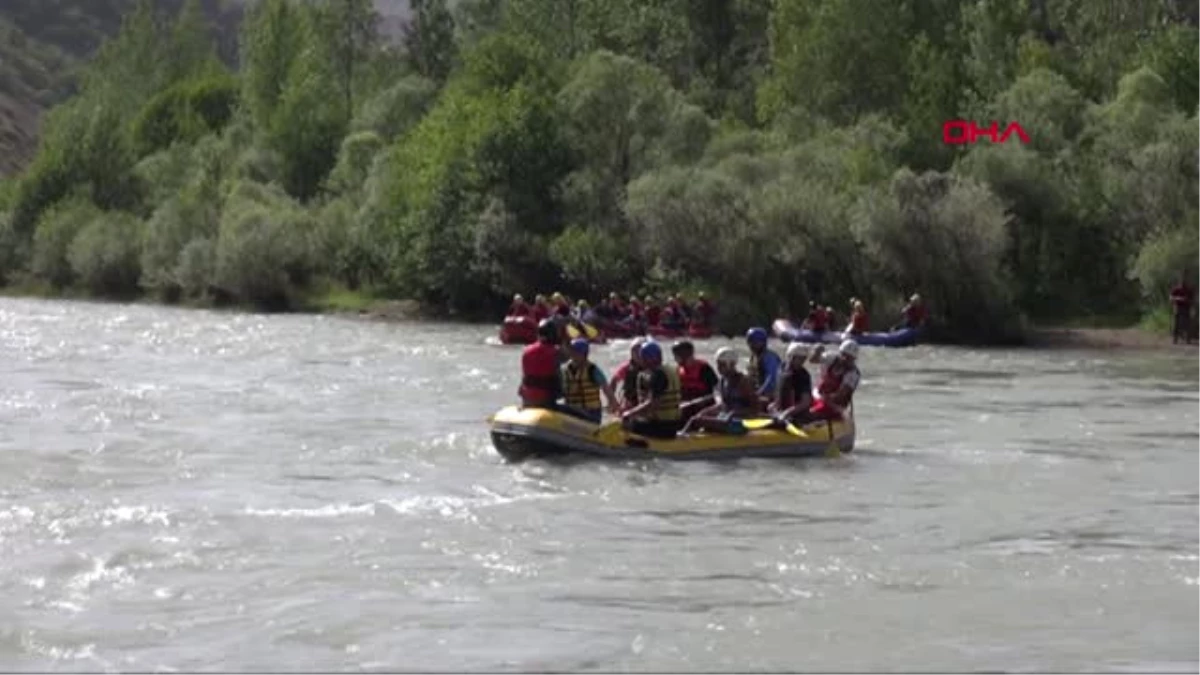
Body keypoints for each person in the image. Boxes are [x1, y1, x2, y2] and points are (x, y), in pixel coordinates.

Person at [682, 347, 761, 434]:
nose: (718, 368)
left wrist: (735, 413)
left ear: (731, 364)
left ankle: (682, 438)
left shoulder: (743, 382)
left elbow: (755, 409)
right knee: (697, 418)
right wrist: (704, 412)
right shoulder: (723, 381)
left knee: (695, 421)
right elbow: (722, 405)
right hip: (727, 419)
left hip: (743, 423)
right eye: (718, 364)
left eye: (721, 365)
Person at [621, 341, 683, 438]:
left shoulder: (658, 375)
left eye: (643, 358)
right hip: (673, 423)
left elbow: (653, 403)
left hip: (662, 426)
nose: (641, 360)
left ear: (647, 358)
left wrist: (630, 413)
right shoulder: (669, 370)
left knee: (622, 424)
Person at [561, 339, 618, 423]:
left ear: (585, 354)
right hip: (572, 409)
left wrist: (613, 404)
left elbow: (606, 388)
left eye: (577, 352)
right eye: (572, 351)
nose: (573, 354)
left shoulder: (593, 370)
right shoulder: (565, 369)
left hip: (590, 412)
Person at [807, 339, 861, 421]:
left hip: (835, 405)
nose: (845, 359)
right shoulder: (831, 357)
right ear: (840, 353)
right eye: (844, 355)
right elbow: (812, 360)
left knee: (809, 413)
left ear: (853, 359)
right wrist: (816, 351)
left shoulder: (853, 373)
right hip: (819, 395)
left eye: (849, 358)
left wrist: (826, 398)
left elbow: (840, 395)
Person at [519, 319, 565, 408]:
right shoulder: (555, 352)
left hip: (527, 399)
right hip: (545, 400)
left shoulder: (526, 350)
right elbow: (572, 356)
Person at [672, 340, 719, 421]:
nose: (675, 359)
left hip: (703, 409)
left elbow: (718, 390)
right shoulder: (678, 370)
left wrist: (703, 400)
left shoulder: (704, 368)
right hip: (686, 408)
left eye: (676, 356)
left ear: (684, 355)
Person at [770, 343, 815, 424]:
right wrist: (774, 405)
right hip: (781, 411)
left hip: (796, 414)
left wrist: (787, 413)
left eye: (804, 359)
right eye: (799, 358)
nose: (802, 362)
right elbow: (778, 391)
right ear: (790, 356)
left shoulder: (803, 375)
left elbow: (806, 402)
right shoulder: (782, 368)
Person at [745, 327, 782, 404]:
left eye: (755, 342)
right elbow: (749, 377)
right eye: (750, 342)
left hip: (771, 395)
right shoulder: (753, 357)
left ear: (763, 342)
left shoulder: (770, 357)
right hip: (757, 391)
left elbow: (771, 379)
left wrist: (758, 393)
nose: (752, 345)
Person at [612, 337, 647, 411]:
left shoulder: (651, 366)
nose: (637, 354)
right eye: (635, 351)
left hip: (646, 403)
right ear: (631, 353)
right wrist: (612, 401)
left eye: (639, 351)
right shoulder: (626, 367)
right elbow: (614, 380)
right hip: (630, 404)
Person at [1170, 271, 1195, 344]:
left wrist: (1192, 306)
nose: (1183, 281)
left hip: (1186, 308)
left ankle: (1188, 339)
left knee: (1188, 324)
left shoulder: (1189, 289)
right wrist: (1179, 299)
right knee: (1176, 324)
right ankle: (1175, 339)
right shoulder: (1176, 289)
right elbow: (1171, 298)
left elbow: (1193, 300)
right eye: (1182, 279)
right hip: (1178, 307)